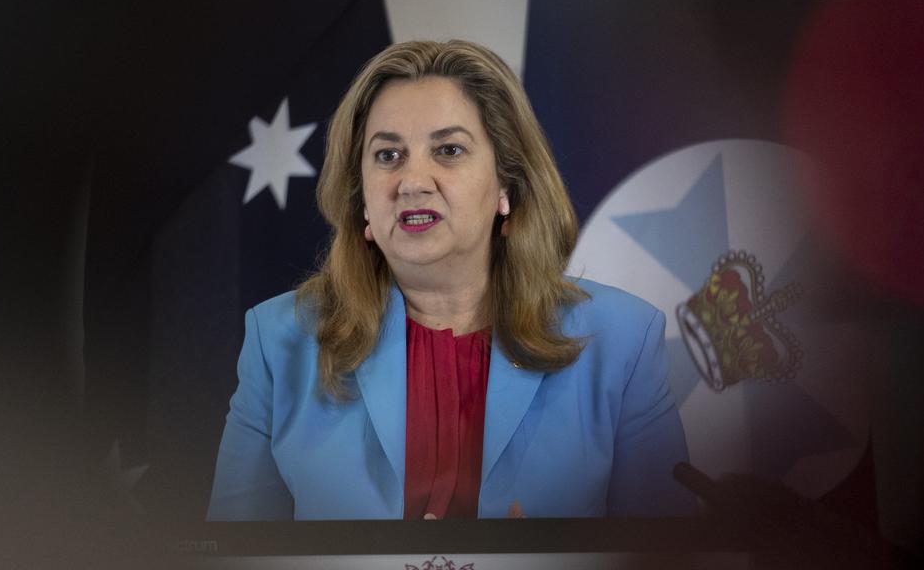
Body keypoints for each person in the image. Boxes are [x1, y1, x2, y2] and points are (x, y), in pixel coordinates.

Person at [207, 40, 695, 520]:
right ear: (361, 199)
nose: (413, 181)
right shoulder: (279, 343)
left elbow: (671, 560)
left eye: (449, 150)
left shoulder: (623, 342)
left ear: (507, 183)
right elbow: (233, 560)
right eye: (387, 156)